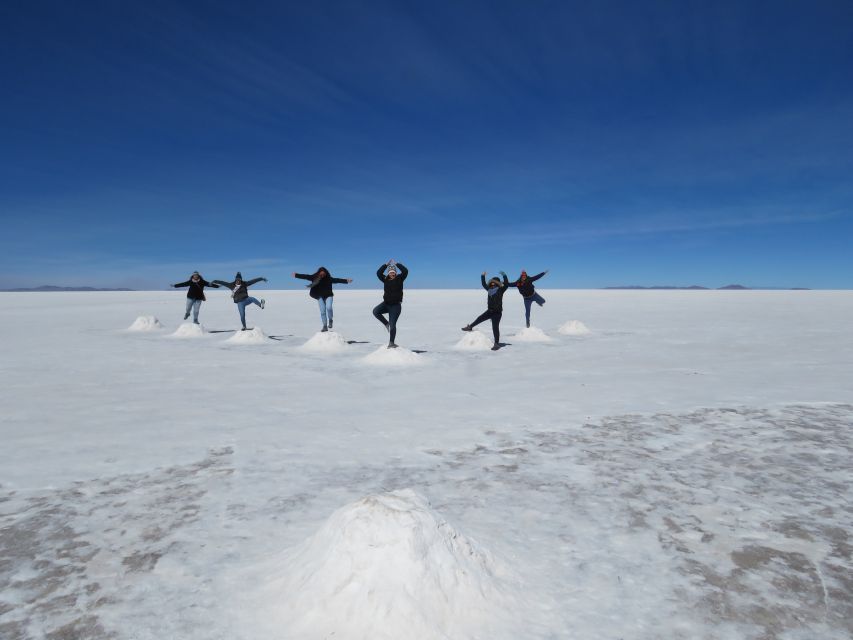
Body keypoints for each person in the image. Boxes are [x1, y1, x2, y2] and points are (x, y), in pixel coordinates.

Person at [292, 267, 353, 331]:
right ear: (319, 273)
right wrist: (296, 275)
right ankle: (324, 326)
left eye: (324, 274)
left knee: (329, 307)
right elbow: (305, 276)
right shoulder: (314, 277)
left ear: (326, 273)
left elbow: (337, 280)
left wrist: (346, 281)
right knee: (323, 312)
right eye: (321, 274)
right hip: (319, 296)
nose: (322, 275)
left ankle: (330, 320)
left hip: (328, 295)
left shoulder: (329, 278)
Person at [461, 271, 510, 351]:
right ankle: (470, 327)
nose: (493, 284)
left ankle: (496, 343)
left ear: (497, 283)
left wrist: (504, 276)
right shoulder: (489, 290)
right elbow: (484, 284)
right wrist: (482, 276)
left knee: (495, 327)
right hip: (490, 311)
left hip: (497, 313)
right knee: (479, 318)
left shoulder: (501, 290)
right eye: (492, 283)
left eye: (494, 283)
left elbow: (507, 285)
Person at [372, 259, 408, 348]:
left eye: (393, 272)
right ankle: (386, 324)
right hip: (386, 304)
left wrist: (397, 264)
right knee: (375, 311)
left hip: (396, 306)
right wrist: (386, 265)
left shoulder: (400, 278)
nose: (392, 274)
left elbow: (405, 271)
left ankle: (391, 342)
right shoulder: (385, 279)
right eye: (391, 272)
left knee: (393, 325)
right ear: (388, 273)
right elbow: (378, 273)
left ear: (395, 273)